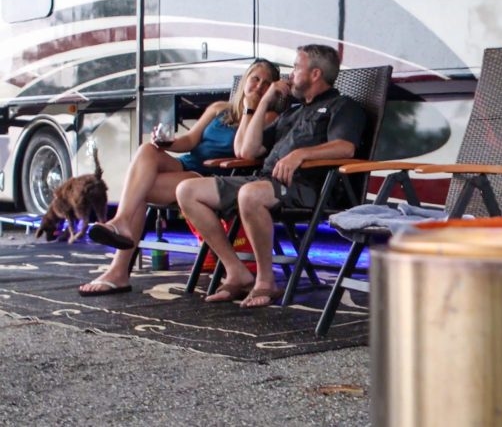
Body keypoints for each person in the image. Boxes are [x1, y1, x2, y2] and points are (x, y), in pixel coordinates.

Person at [176, 44, 365, 308]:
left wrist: (300, 155)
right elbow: (247, 150)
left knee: (250, 194)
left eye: (296, 68)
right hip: (264, 181)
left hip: (308, 188)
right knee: (187, 190)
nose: (288, 76)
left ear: (315, 74)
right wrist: (262, 102)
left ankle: (266, 282)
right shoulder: (292, 112)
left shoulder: (343, 106)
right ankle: (236, 271)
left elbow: (345, 147)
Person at [78, 59, 281, 297]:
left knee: (139, 191)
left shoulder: (267, 117)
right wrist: (167, 143)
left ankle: (119, 270)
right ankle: (121, 223)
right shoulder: (219, 109)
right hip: (186, 164)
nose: (258, 86)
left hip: (209, 178)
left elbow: (242, 151)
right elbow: (190, 140)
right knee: (146, 151)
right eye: (255, 79)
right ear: (245, 80)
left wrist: (249, 109)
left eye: (266, 84)